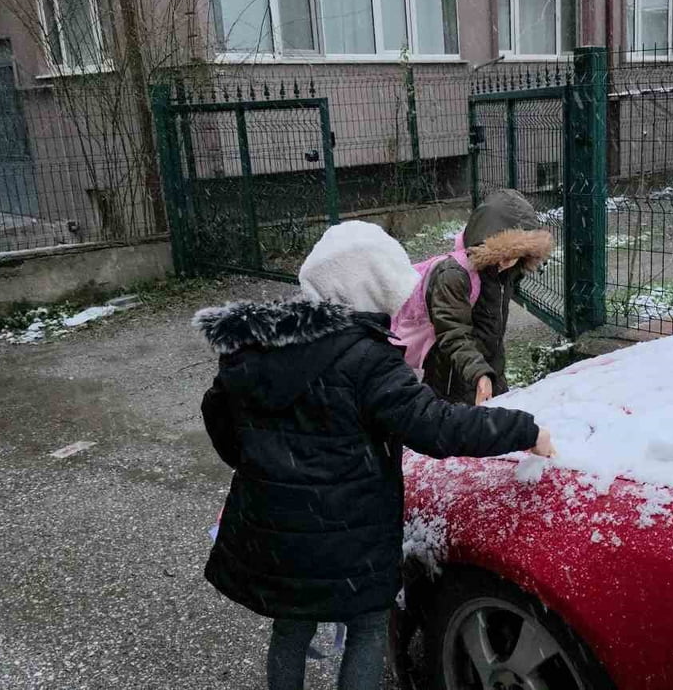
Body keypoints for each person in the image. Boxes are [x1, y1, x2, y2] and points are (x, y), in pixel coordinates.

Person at [193, 221, 555, 690]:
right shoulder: (368, 360)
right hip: (350, 531)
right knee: (366, 625)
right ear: (376, 289)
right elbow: (435, 426)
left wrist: (266, 469)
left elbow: (219, 419)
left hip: (275, 529)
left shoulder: (256, 347)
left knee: (291, 626)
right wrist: (522, 429)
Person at [424, 189, 553, 405]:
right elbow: (453, 334)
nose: (506, 262)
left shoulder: (505, 273)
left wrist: (494, 377)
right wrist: (479, 374)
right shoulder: (454, 275)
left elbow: (492, 330)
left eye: (515, 255)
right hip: (453, 381)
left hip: (490, 374)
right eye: (501, 253)